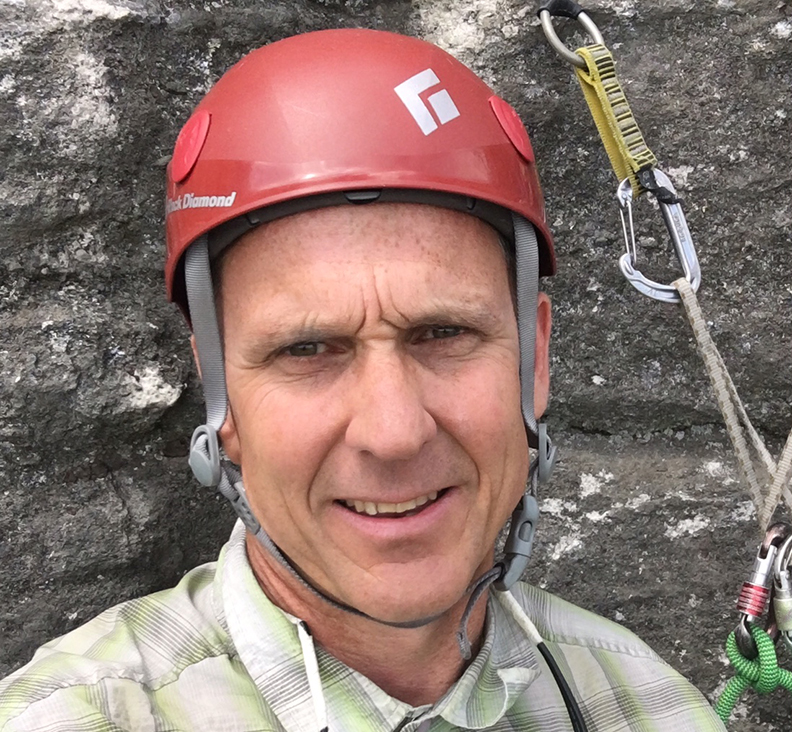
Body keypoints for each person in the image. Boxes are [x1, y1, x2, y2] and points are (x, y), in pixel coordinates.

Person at [0, 28, 725, 732]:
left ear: (534, 361)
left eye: (444, 334)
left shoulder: (644, 703)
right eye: (308, 349)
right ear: (220, 401)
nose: (394, 431)